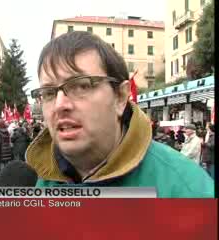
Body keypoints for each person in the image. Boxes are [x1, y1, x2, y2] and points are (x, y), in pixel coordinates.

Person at [27, 31, 213, 198]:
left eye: (81, 85)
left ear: (121, 97)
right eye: (49, 93)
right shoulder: (33, 182)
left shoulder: (189, 190)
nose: (60, 105)